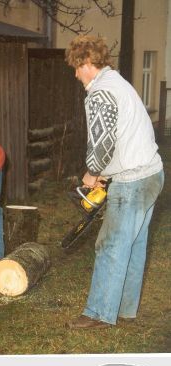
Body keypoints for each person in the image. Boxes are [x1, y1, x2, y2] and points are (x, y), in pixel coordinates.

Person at [65, 36, 164, 329]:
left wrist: (93, 172)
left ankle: (97, 313)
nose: (75, 74)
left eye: (76, 67)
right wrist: (106, 172)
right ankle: (124, 309)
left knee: (109, 245)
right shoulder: (120, 83)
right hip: (152, 172)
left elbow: (102, 140)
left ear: (85, 64)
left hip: (133, 181)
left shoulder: (100, 92)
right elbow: (122, 135)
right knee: (132, 245)